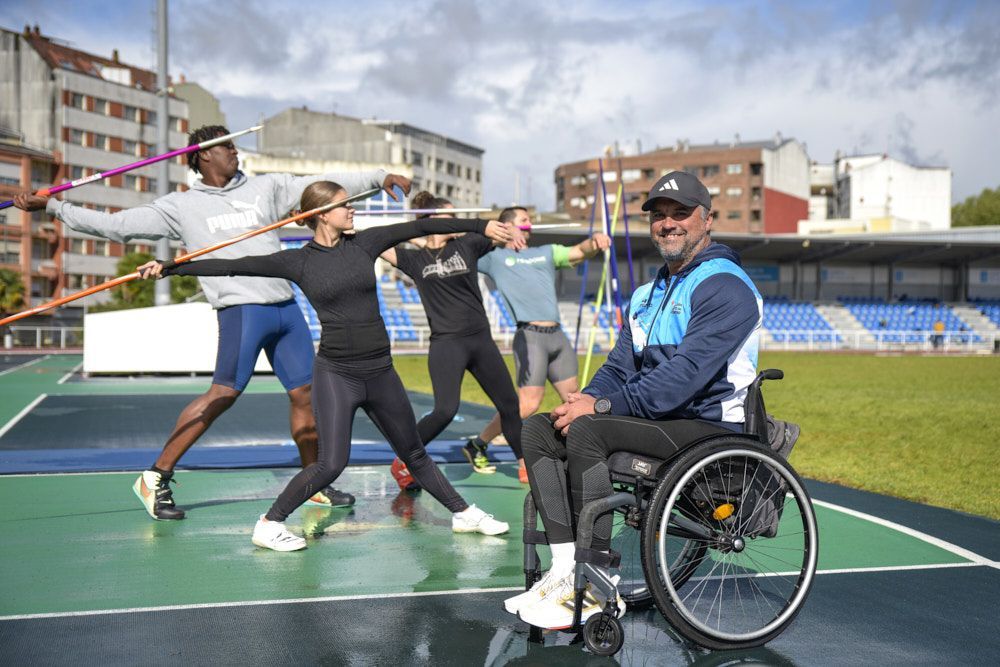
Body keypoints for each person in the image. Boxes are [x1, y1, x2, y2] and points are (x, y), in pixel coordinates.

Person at [13, 125, 410, 521]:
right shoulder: (180, 207)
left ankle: (313, 483)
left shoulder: (266, 188)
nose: (236, 154)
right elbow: (116, 226)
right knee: (222, 394)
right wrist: (54, 208)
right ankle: (155, 477)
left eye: (235, 147)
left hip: (286, 308)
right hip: (241, 310)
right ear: (203, 155)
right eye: (227, 148)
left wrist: (380, 177)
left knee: (304, 395)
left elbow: (325, 186)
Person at [138, 180, 514, 551]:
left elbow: (422, 225)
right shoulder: (297, 262)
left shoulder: (366, 243)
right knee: (332, 463)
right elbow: (235, 265)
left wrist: (481, 226)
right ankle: (269, 523)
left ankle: (462, 512)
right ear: (321, 214)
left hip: (381, 371)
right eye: (344, 204)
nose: (352, 209)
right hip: (339, 374)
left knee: (415, 452)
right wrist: (173, 267)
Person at [504, 170, 766, 629]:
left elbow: (683, 379)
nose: (668, 224)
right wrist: (582, 396)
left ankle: (596, 581)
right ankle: (568, 571)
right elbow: (620, 367)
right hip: (660, 421)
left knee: (588, 428)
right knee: (540, 427)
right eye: (659, 216)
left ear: (707, 220)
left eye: (680, 214)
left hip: (709, 425)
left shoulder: (727, 285)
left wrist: (599, 409)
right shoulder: (648, 294)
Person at [380, 192, 525, 481]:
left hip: (481, 341)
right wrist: (419, 237)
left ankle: (525, 464)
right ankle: (404, 457)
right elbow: (375, 243)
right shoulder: (413, 259)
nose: (456, 220)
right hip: (447, 344)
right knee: (445, 410)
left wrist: (511, 231)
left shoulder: (468, 245)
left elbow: (503, 229)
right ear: (430, 221)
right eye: (450, 215)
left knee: (510, 405)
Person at [471, 207, 610, 483]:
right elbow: (463, 245)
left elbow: (579, 251)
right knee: (528, 404)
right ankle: (479, 443)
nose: (530, 224)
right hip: (529, 336)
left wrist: (595, 240)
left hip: (557, 336)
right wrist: (494, 234)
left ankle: (573, 454)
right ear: (507, 225)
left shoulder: (544, 252)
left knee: (574, 399)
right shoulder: (494, 258)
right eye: (524, 220)